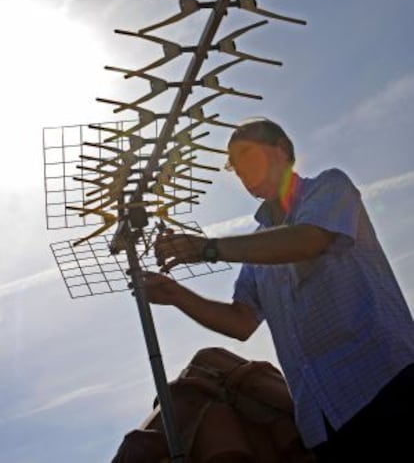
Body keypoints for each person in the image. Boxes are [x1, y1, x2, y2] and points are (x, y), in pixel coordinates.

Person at [141, 117, 414, 461]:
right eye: (236, 169)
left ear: (282, 151)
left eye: (249, 158)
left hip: (384, 381)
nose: (243, 174)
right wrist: (175, 295)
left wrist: (208, 249)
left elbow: (308, 239)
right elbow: (241, 321)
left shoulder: (329, 187)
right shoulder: (257, 247)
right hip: (323, 419)